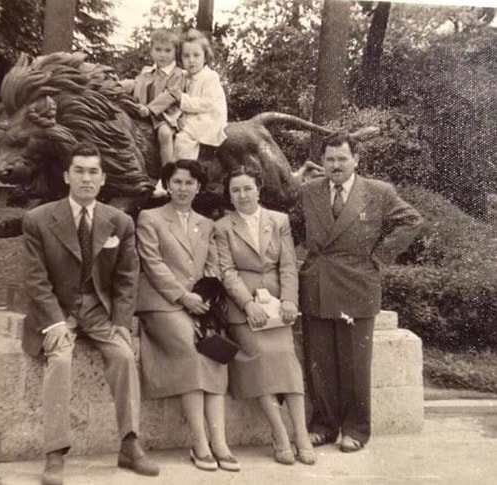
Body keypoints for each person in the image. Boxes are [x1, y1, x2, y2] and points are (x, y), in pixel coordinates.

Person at [21, 142, 159, 485]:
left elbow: (128, 278)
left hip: (99, 311)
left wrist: (121, 323)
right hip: (58, 311)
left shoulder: (119, 222)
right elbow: (35, 280)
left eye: (93, 171)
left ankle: (129, 444)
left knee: (125, 357)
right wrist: (54, 322)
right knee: (61, 361)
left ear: (103, 178)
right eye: (79, 171)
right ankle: (54, 454)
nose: (86, 178)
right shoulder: (39, 219)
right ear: (67, 176)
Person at [297, 132, 424, 453]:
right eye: (329, 159)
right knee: (319, 363)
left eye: (342, 158)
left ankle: (356, 429)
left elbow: (412, 220)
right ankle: (324, 426)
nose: (335, 165)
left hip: (358, 285)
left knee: (355, 364)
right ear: (322, 162)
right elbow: (292, 228)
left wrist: (379, 257)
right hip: (317, 284)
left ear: (356, 160)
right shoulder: (309, 191)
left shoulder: (378, 192)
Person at [136, 159, 239, 472]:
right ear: (167, 185)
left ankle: (220, 442)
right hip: (162, 304)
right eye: (177, 182)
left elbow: (211, 266)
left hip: (198, 304)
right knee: (192, 352)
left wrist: (203, 298)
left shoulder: (205, 224)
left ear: (198, 187)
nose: (183, 188)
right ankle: (200, 443)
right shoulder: (149, 218)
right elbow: (152, 264)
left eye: (189, 183)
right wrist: (183, 297)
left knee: (214, 354)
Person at [214, 165, 317, 466]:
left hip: (276, 305)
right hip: (243, 307)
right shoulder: (222, 227)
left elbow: (287, 265)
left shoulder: (278, 220)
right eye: (236, 190)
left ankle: (301, 434)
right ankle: (279, 433)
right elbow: (226, 271)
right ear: (230, 196)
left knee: (286, 356)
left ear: (259, 189)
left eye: (248, 188)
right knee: (258, 356)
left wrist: (288, 301)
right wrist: (248, 304)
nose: (242, 195)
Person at [128, 28, 184, 168]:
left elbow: (171, 94)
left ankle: (168, 172)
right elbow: (135, 84)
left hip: (165, 115)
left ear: (175, 52)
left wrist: (150, 109)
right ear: (151, 51)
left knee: (164, 134)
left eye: (167, 51)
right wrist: (118, 85)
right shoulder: (147, 71)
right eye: (158, 50)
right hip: (142, 111)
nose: (162, 55)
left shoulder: (177, 74)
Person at [169, 28, 227, 162]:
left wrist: (181, 98)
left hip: (209, 117)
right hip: (194, 115)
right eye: (186, 56)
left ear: (205, 56)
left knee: (183, 140)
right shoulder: (184, 76)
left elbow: (206, 103)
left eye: (196, 55)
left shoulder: (209, 77)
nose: (191, 60)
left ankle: (182, 170)